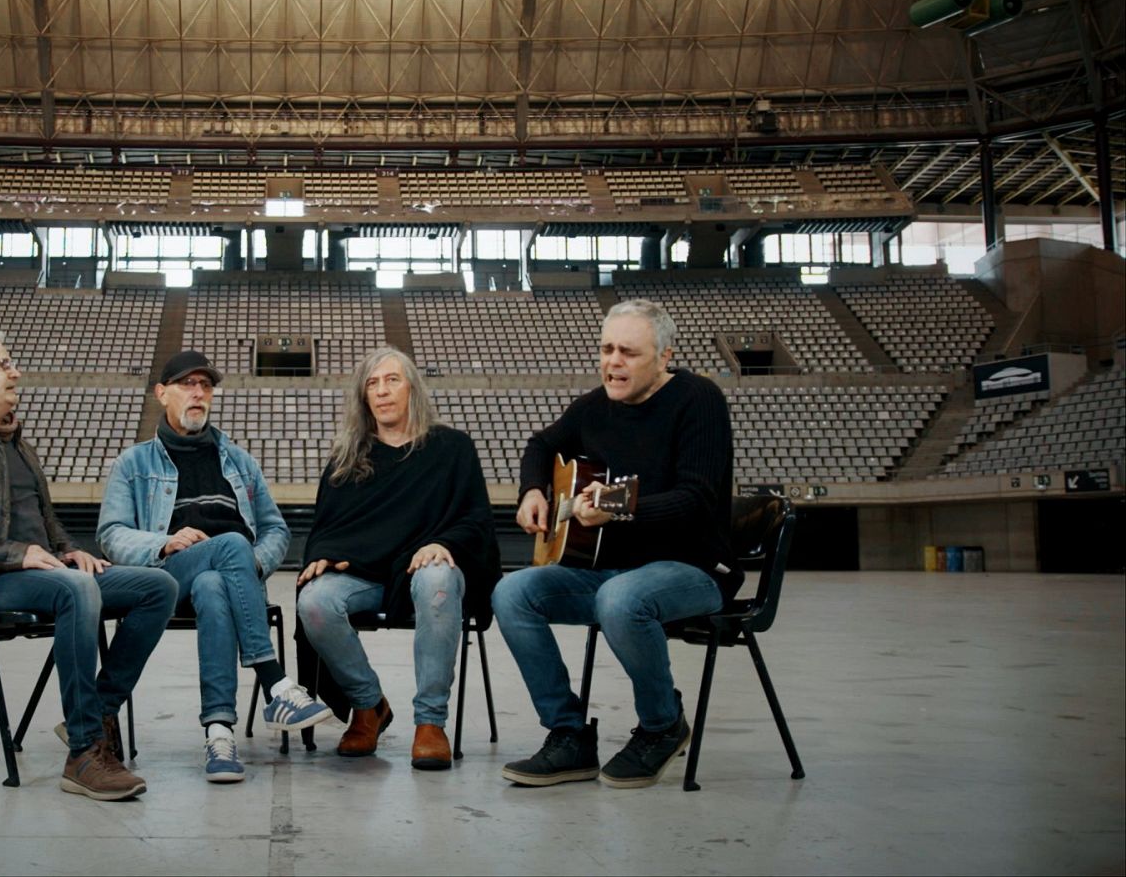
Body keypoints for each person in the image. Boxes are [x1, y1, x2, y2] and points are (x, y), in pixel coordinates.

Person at [0, 330, 177, 802]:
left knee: (159, 585)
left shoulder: (16, 442)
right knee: (76, 590)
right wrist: (14, 555)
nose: (16, 373)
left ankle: (92, 712)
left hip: (42, 573)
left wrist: (70, 549)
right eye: (3, 364)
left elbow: (44, 519)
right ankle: (86, 755)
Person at [492, 298, 739, 789]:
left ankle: (662, 724)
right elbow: (540, 444)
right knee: (512, 593)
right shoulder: (594, 407)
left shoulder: (699, 399)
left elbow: (697, 498)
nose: (613, 363)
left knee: (620, 598)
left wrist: (619, 506)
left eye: (628, 352)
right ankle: (568, 735)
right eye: (606, 349)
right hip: (610, 570)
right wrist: (533, 490)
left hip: (694, 570)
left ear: (665, 356)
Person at [98, 350, 333, 784]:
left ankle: (219, 734)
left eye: (205, 386)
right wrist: (163, 542)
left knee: (213, 583)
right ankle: (276, 683)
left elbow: (275, 530)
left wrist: (252, 562)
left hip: (224, 578)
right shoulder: (134, 463)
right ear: (161, 393)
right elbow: (112, 535)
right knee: (228, 545)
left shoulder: (239, 460)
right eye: (188, 384)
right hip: (168, 576)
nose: (198, 393)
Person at [295, 346, 499, 770]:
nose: (383, 392)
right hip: (364, 574)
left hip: (424, 568)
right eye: (373, 383)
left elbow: (476, 519)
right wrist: (324, 557)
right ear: (364, 397)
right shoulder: (348, 457)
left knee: (437, 579)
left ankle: (430, 722)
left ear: (412, 389)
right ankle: (368, 706)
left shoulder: (453, 447)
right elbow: (327, 528)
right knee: (314, 600)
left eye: (393, 381)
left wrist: (446, 543)